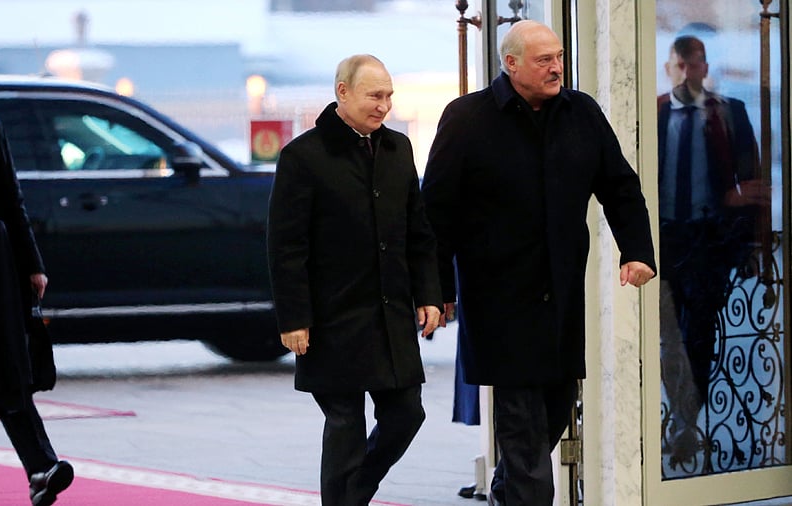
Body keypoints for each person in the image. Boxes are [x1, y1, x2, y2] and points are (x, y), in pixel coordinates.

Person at [421, 20, 656, 506]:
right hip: (500, 304)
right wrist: (436, 291)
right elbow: (435, 215)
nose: (556, 68)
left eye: (559, 57)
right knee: (526, 438)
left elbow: (620, 187)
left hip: (562, 300)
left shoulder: (581, 112)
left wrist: (637, 251)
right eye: (543, 60)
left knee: (550, 416)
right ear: (511, 64)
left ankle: (505, 494)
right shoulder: (466, 118)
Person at [266, 54, 443, 505]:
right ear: (342, 92)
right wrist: (294, 319)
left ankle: (356, 491)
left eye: (388, 96)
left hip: (390, 314)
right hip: (332, 319)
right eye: (374, 96)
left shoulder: (398, 148)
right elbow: (286, 247)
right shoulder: (302, 156)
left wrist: (430, 294)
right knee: (345, 426)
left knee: (407, 414)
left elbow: (417, 232)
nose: (384, 106)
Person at [0, 44, 73, 506]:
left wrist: (33, 264)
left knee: (8, 370)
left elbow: (10, 200)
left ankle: (42, 468)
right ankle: (40, 467)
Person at [656, 35, 768, 464]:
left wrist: (749, 241)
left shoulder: (729, 113)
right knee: (667, 338)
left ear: (704, 68)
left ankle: (686, 421)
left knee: (700, 335)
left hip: (707, 240)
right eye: (680, 66)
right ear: (670, 69)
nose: (688, 73)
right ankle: (682, 419)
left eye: (695, 64)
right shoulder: (654, 113)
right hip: (665, 238)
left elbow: (752, 178)